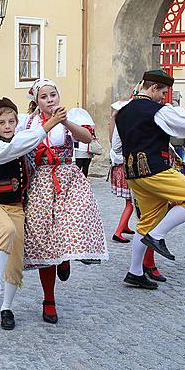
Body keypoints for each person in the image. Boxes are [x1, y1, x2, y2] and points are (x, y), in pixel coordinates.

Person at [114, 70, 185, 290]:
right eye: (163, 92)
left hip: (133, 174)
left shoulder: (123, 111)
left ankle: (135, 272)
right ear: (152, 88)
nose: (163, 97)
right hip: (154, 170)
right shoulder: (155, 110)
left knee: (146, 221)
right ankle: (157, 236)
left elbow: (118, 146)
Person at [22, 78, 108, 323]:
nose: (50, 100)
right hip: (40, 181)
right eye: (44, 97)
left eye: (53, 95)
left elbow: (87, 138)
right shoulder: (28, 122)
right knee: (43, 239)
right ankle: (48, 298)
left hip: (66, 178)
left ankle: (66, 259)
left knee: (73, 224)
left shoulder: (70, 118)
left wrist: (64, 120)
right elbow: (22, 146)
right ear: (37, 102)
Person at [0, 97, 52, 330]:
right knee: (7, 230)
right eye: (2, 122)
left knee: (16, 259)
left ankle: (6, 308)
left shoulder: (20, 139)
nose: (8, 126)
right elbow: (15, 148)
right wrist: (48, 126)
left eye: (11, 121)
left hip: (17, 206)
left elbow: (27, 145)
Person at [109, 100, 136, 244]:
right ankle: (118, 232)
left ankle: (124, 226)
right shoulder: (124, 126)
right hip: (125, 166)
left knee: (129, 201)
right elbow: (119, 147)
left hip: (121, 165)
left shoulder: (117, 124)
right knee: (131, 202)